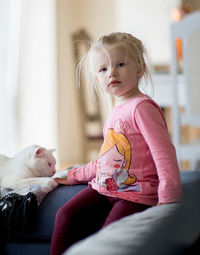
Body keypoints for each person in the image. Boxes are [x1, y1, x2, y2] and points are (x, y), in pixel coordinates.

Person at [50, 32, 183, 255]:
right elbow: (106, 161)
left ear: (139, 69)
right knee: (64, 215)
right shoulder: (115, 112)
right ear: (97, 79)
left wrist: (170, 196)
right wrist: (73, 175)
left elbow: (163, 152)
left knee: (109, 237)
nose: (111, 72)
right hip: (106, 187)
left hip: (137, 193)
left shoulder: (142, 107)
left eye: (120, 64)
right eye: (103, 69)